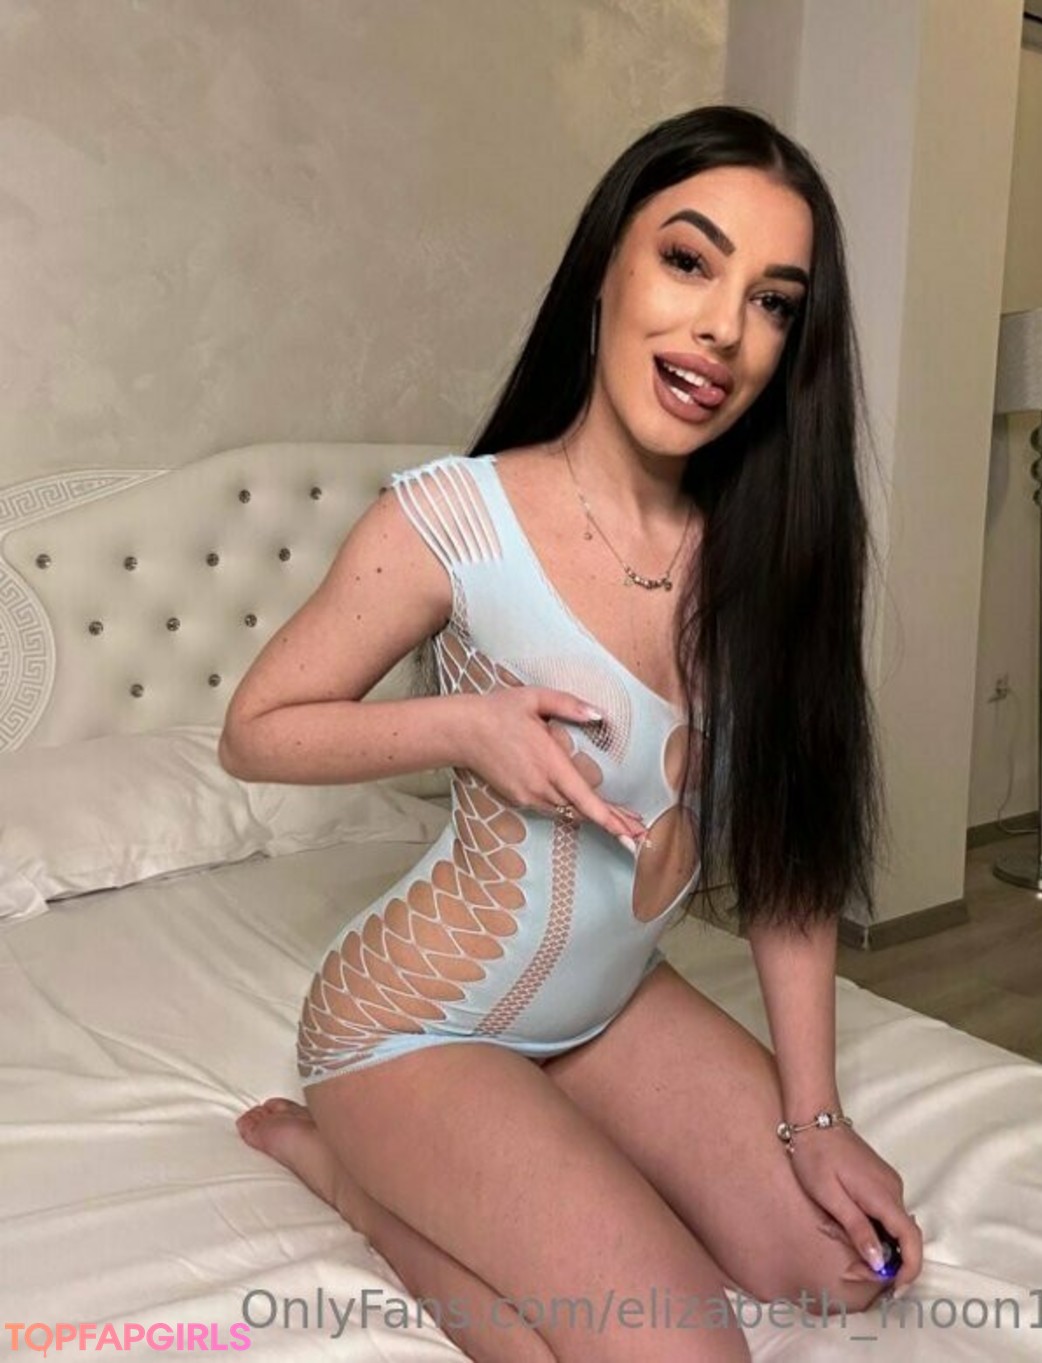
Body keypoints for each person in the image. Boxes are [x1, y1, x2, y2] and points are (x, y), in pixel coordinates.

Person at [220, 104, 922, 1363]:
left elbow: (791, 869)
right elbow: (255, 732)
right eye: (690, 260)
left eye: (772, 301)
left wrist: (817, 1120)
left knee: (850, 1268)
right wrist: (462, 725)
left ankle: (499, 1144)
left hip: (603, 1007)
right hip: (414, 1026)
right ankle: (346, 1172)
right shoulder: (454, 520)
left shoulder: (765, 564)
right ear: (607, 266)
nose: (723, 328)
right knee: (681, 1349)